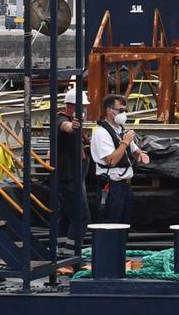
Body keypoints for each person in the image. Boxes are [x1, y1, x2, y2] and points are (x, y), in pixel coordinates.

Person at [91, 93, 147, 226]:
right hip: (112, 185)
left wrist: (141, 154)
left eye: (125, 111)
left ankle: (120, 246)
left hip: (125, 184)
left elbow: (133, 150)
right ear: (110, 110)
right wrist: (125, 142)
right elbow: (111, 160)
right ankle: (107, 246)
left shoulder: (120, 130)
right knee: (110, 221)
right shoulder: (101, 133)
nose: (123, 114)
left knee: (125, 222)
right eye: (121, 111)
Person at [50, 84, 90, 257]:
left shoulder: (74, 123)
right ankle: (72, 254)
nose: (86, 110)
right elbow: (64, 126)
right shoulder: (61, 120)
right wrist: (72, 126)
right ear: (73, 106)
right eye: (83, 107)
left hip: (74, 176)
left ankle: (62, 252)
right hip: (69, 178)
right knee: (81, 217)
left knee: (67, 216)